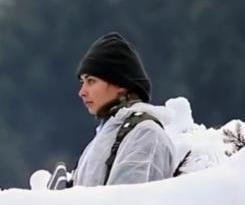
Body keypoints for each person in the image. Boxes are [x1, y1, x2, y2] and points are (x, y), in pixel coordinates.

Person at [70, 32, 175, 187]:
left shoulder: (146, 134)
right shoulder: (108, 134)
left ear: (120, 85)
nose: (82, 92)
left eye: (91, 81)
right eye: (82, 82)